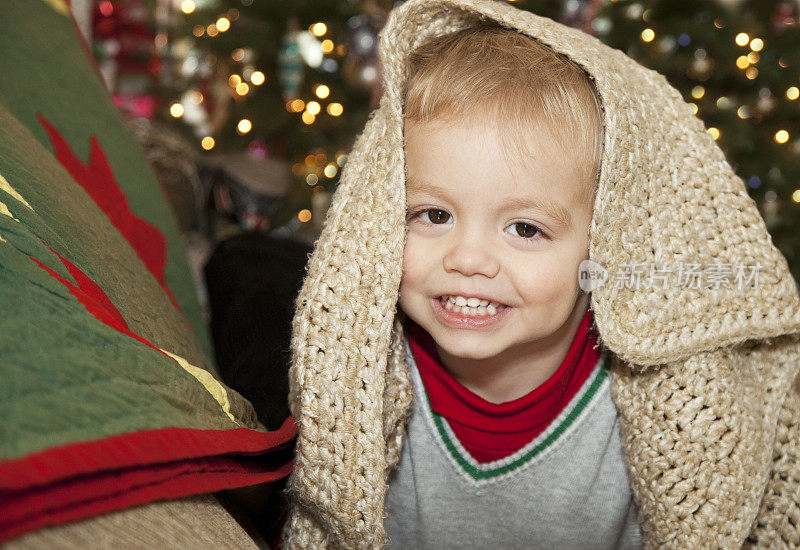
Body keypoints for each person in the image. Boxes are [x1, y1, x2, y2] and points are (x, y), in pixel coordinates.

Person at [280, 0, 800, 548]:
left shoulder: (659, 408)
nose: (469, 259)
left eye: (526, 229)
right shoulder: (361, 383)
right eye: (434, 215)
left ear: (605, 244)